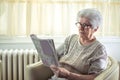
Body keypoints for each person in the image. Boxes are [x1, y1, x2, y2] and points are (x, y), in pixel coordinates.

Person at [49, 8, 108, 80]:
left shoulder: (99, 50)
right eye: (79, 24)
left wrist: (68, 75)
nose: (81, 28)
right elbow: (55, 55)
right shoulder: (71, 39)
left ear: (95, 29)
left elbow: (95, 78)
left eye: (86, 25)